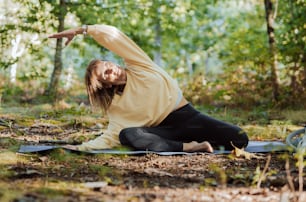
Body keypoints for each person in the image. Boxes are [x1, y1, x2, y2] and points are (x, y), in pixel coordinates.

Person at [48, 24, 249, 153]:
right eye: (105, 74)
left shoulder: (139, 65)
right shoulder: (116, 105)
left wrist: (84, 30)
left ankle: (196, 141)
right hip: (163, 132)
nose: (112, 70)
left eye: (109, 65)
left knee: (240, 139)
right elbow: (111, 136)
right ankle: (190, 147)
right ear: (105, 84)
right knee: (127, 135)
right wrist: (79, 148)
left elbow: (115, 37)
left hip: (188, 118)